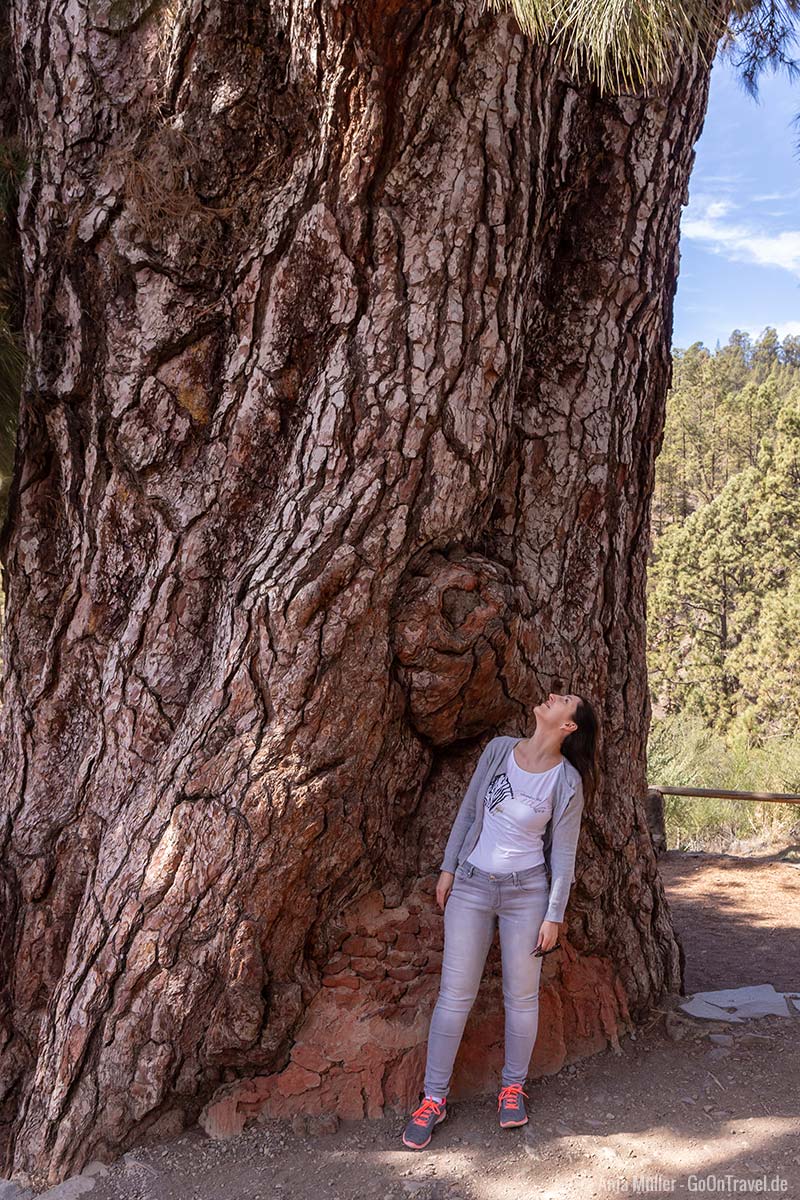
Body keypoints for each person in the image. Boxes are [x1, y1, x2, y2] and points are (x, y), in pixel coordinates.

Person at [401, 694, 598, 1150]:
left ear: (569, 726)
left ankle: (513, 1088)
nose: (552, 697)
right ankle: (433, 1099)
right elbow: (468, 811)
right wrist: (449, 868)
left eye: (563, 700)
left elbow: (563, 856)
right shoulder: (498, 750)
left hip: (526, 893)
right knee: (454, 996)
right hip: (470, 885)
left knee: (521, 996)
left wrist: (554, 914)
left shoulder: (566, 782)